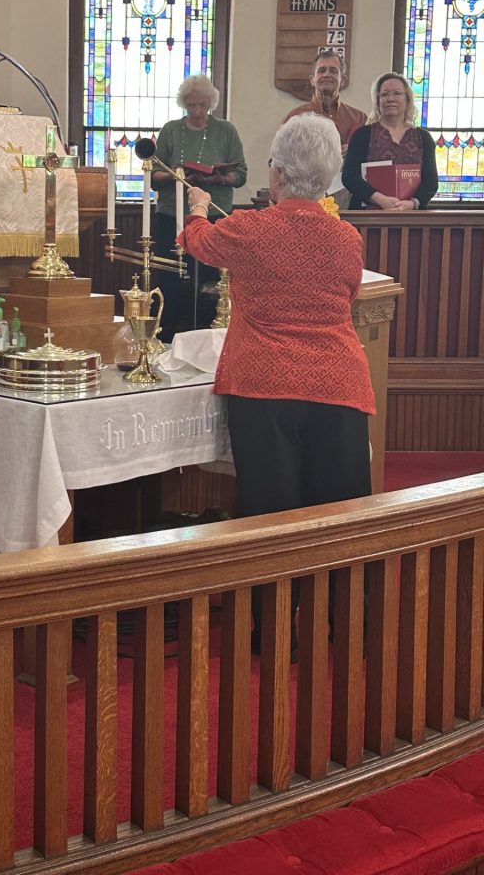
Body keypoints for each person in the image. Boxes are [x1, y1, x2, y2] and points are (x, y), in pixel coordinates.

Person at [178, 113, 375, 652]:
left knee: (270, 514)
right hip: (337, 382)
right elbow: (349, 294)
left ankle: (272, 635)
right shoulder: (347, 238)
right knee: (339, 514)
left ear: (279, 174)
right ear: (329, 177)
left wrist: (198, 206)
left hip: (263, 383)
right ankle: (343, 630)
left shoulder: (249, 228)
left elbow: (199, 242)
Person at [151, 74, 247, 342]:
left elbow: (241, 174)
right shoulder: (171, 130)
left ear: (210, 104)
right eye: (191, 105)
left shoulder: (226, 131)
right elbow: (153, 175)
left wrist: (218, 178)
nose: (197, 111)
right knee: (170, 277)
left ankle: (208, 336)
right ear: (184, 104)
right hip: (172, 215)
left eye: (202, 105)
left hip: (214, 215)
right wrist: (177, 175)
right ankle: (165, 337)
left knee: (209, 279)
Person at [281, 49, 367, 209]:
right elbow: (278, 161)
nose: (327, 74)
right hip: (305, 200)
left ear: (343, 80)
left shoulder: (359, 118)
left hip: (348, 203)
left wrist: (353, 152)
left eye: (333, 70)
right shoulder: (295, 117)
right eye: (321, 70)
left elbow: (369, 162)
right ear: (312, 79)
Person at [342, 72, 438, 210]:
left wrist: (412, 204)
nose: (390, 99)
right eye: (385, 94)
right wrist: (380, 199)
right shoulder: (362, 135)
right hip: (367, 215)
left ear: (407, 99)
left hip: (410, 215)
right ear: (378, 100)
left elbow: (431, 182)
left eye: (397, 93)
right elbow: (349, 176)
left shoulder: (424, 138)